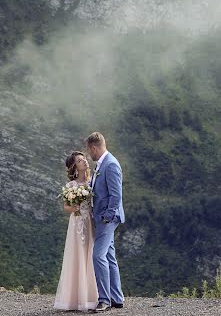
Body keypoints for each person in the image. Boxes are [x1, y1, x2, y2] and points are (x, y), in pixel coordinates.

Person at [54, 151, 98, 312]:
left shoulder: (92, 181)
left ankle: (93, 297)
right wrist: (76, 207)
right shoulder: (71, 186)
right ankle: (75, 299)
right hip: (77, 223)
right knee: (77, 257)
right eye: (80, 161)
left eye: (84, 159)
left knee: (91, 256)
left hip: (91, 222)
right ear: (75, 166)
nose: (85, 161)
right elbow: (66, 207)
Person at [86, 132, 125, 313]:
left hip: (107, 218)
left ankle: (104, 300)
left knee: (98, 256)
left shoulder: (110, 165)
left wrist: (106, 217)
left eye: (89, 150)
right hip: (102, 217)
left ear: (94, 148)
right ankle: (117, 298)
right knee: (109, 256)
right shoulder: (102, 164)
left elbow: (116, 195)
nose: (89, 154)